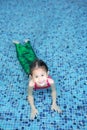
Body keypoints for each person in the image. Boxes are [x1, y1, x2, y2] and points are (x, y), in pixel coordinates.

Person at [13, 39, 62, 120]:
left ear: (47, 73)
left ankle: (27, 43)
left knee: (32, 56)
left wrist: (54, 103)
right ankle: (17, 45)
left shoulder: (50, 81)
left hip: (35, 69)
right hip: (29, 70)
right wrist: (33, 108)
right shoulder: (31, 83)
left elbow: (54, 91)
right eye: (36, 77)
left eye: (42, 75)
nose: (40, 79)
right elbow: (29, 95)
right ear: (32, 77)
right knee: (22, 59)